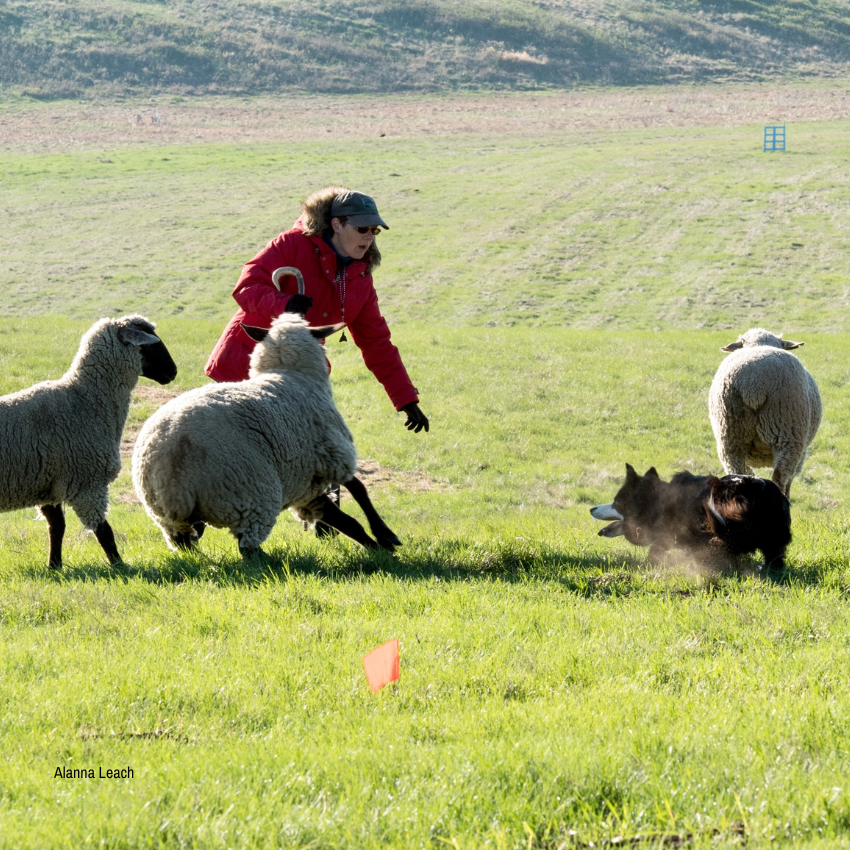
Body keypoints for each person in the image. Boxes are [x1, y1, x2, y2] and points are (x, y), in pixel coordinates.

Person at [205, 186, 429, 434]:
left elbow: (377, 343)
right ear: (336, 225)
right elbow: (246, 288)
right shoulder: (291, 244)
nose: (369, 237)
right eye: (362, 229)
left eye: (374, 230)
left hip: (300, 377)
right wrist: (284, 304)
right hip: (245, 365)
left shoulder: (360, 277)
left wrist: (405, 398)